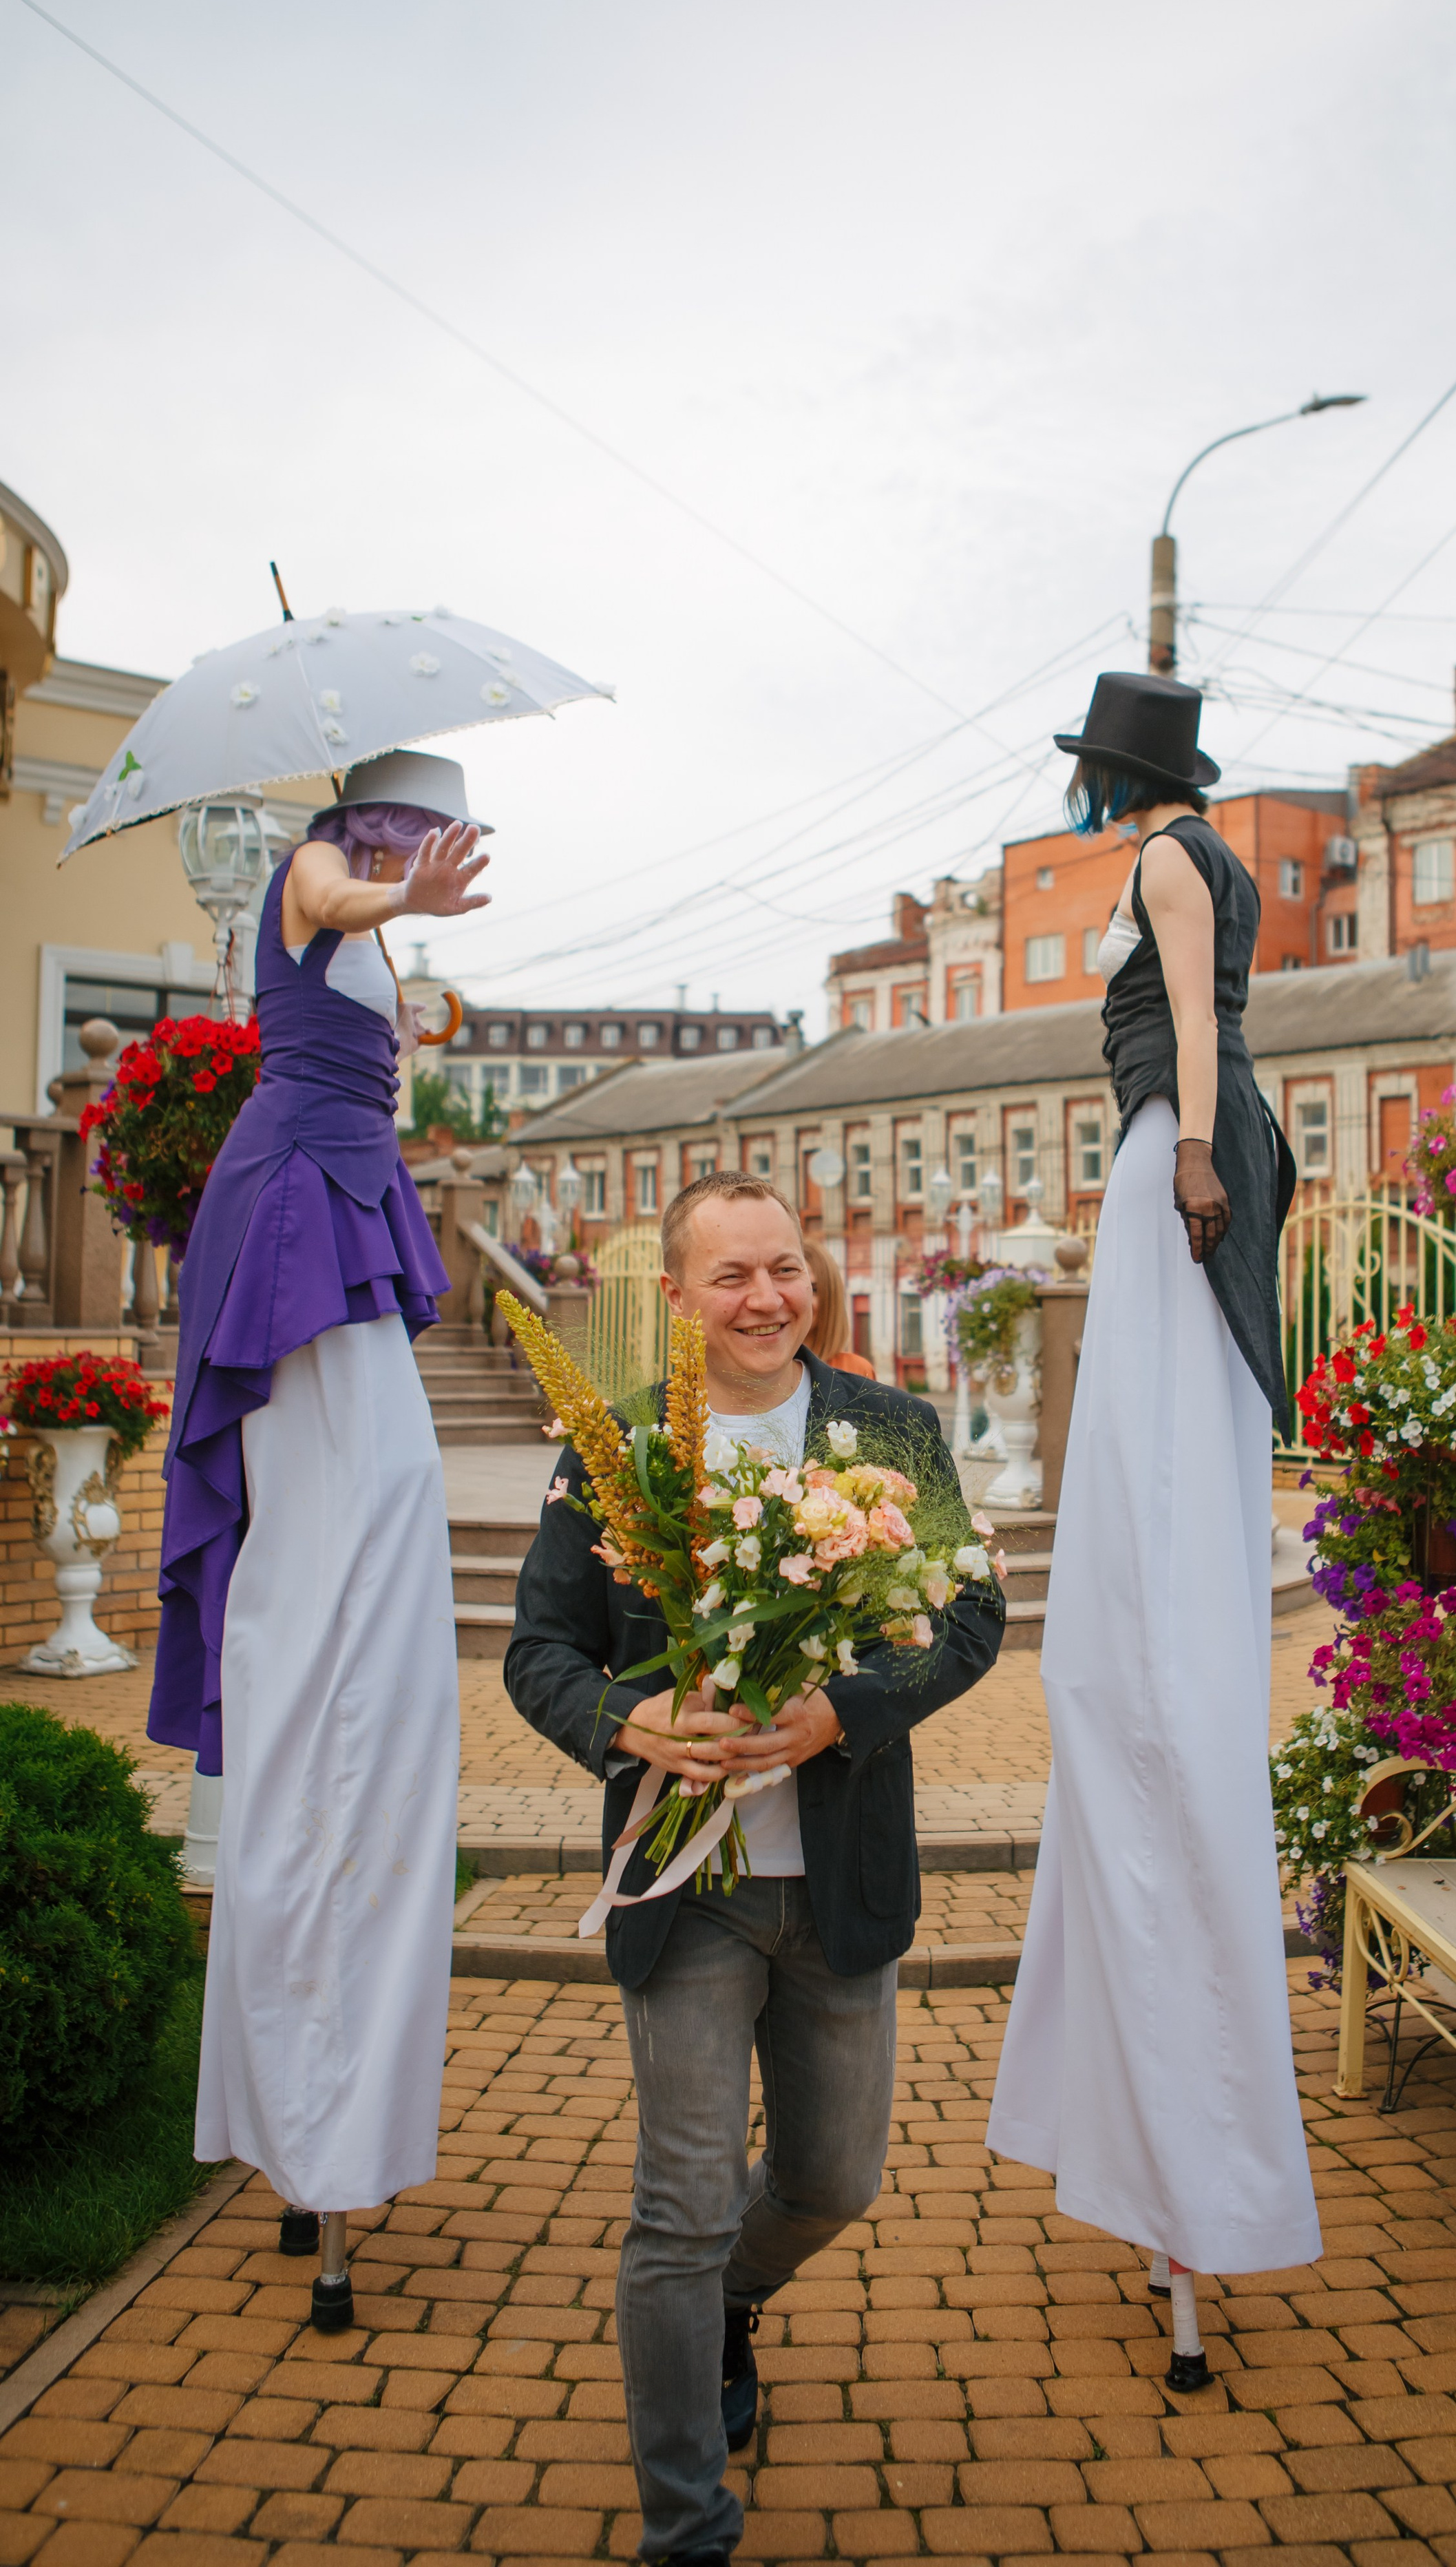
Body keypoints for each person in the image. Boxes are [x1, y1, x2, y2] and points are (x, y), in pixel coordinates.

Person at [505, 1170, 1004, 2567]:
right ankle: (687, 2522)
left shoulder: (886, 1428)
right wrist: (629, 1719)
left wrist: (845, 1707)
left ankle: (725, 2303)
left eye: (784, 1268)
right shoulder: (608, 1452)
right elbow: (538, 1650)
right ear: (672, 1297)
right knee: (678, 2203)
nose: (767, 1298)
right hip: (685, 1890)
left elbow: (966, 1612)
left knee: (833, 2180)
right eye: (729, 1277)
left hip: (836, 1874)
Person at [986, 673, 1318, 2391]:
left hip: (1160, 1159)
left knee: (1150, 1470)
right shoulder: (1196, 848)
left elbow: (1195, 1019)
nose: (1091, 786)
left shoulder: (1173, 858)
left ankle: (1169, 2147)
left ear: (1124, 768)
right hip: (1174, 1153)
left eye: (1094, 764)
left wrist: (1192, 1151)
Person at [149, 748, 490, 2330]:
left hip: (343, 1195)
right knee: (339, 1563)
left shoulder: (380, 926)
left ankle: (315, 2122)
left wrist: (412, 943)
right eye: (419, 824)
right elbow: (328, 895)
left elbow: (374, 973)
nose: (436, 846)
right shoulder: (315, 870)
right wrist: (391, 893)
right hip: (295, 1203)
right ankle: (310, 2117)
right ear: (379, 823)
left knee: (384, 1536)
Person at [803, 1234, 877, 1376]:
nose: (804, 1299)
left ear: (831, 1298)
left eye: (815, 1290)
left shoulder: (856, 1371)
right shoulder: (757, 1373)